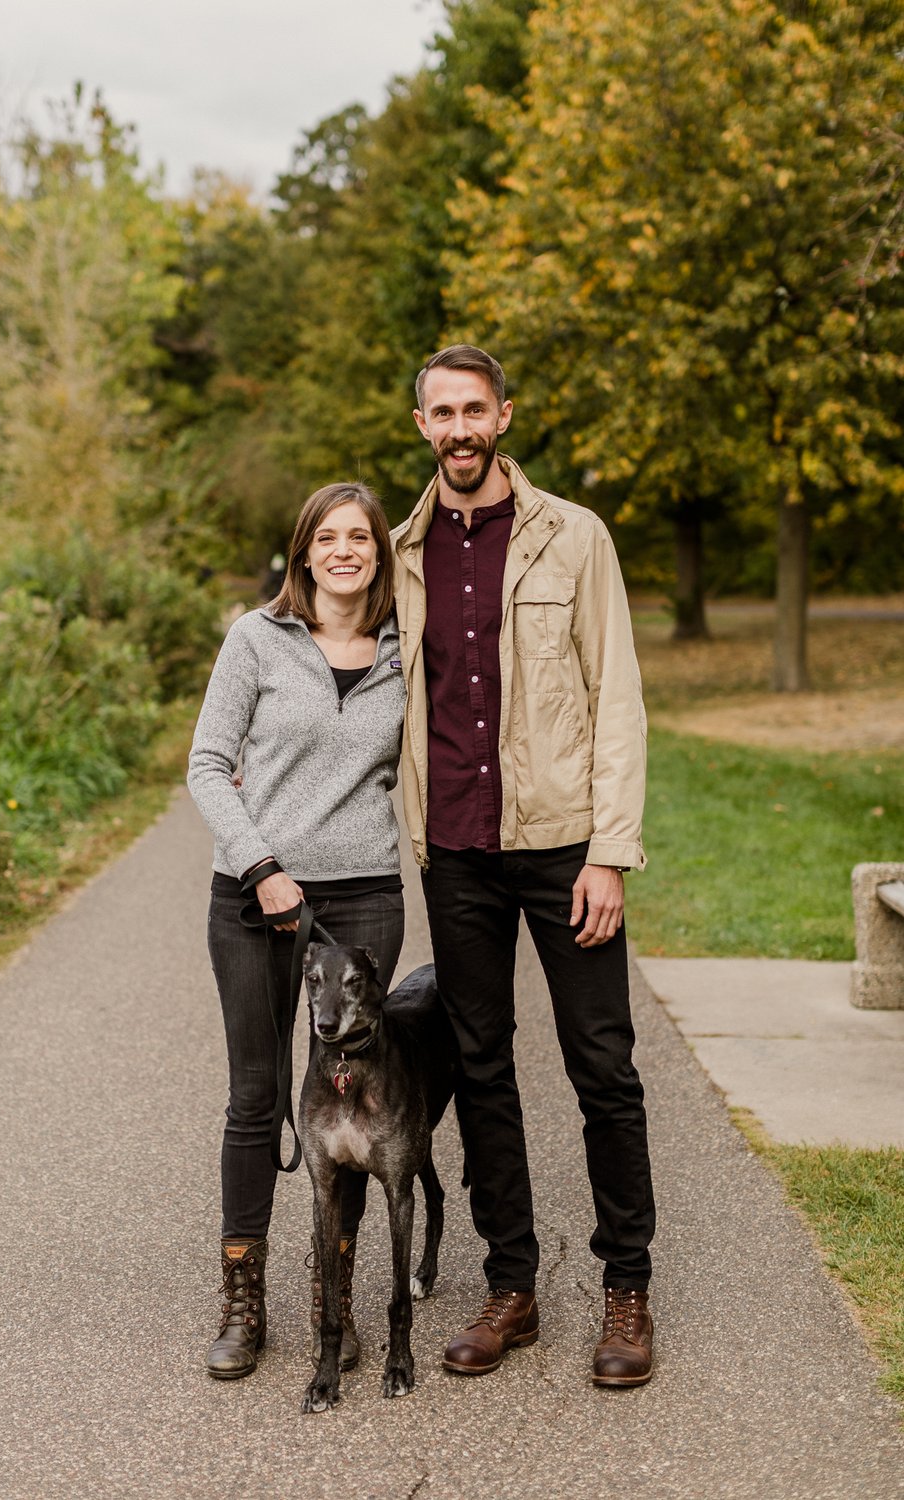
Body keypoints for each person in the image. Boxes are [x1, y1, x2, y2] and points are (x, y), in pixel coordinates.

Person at [391, 345, 656, 1386]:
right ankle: (513, 1285)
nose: (459, 429)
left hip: (561, 849)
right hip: (455, 849)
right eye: (441, 413)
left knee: (603, 1067)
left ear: (505, 415)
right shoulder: (404, 549)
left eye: (474, 410)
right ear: (421, 426)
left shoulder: (573, 538)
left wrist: (609, 853)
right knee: (480, 1067)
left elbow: (619, 700)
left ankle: (625, 1288)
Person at [188, 482, 406, 1381]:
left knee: (350, 1100)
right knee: (256, 1096)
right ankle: (244, 1297)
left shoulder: (406, 648)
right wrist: (262, 867)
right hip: (254, 900)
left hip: (362, 907)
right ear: (303, 551)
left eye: (361, 537)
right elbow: (206, 765)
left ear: (379, 554)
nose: (346, 550)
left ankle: (336, 1295)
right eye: (329, 537)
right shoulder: (256, 639)